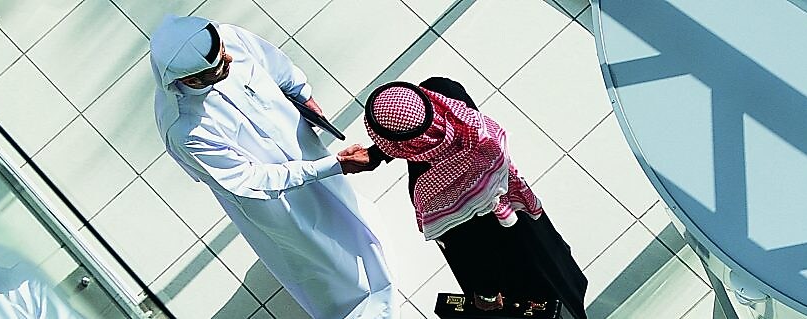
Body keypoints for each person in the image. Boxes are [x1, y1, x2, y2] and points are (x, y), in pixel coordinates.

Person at [148, 15, 394, 318]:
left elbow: (276, 66)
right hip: (274, 200)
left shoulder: (229, 38)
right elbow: (250, 179)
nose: (230, 58)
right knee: (323, 256)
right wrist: (335, 165)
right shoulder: (184, 128)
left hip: (305, 151)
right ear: (190, 80)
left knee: (349, 212)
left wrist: (304, 96)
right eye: (220, 67)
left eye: (224, 52)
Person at [345, 77, 588, 318]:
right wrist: (376, 155)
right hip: (532, 230)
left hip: (510, 269)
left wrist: (487, 293)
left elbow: (471, 247)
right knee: (563, 288)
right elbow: (424, 132)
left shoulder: (436, 191)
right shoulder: (445, 94)